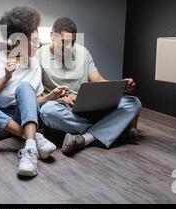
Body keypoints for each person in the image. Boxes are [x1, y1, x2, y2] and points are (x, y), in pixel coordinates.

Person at [0, 6, 67, 177]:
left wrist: (51, 97)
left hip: (22, 118)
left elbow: (33, 101)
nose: (39, 44)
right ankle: (34, 138)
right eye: (34, 40)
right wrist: (5, 78)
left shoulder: (34, 63)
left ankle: (29, 150)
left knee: (24, 87)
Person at [37, 17, 142, 155]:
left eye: (72, 42)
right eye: (64, 42)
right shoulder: (38, 56)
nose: (69, 47)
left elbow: (98, 79)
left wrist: (121, 86)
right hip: (63, 109)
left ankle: (87, 138)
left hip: (88, 106)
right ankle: (115, 131)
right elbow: (38, 99)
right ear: (52, 36)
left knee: (133, 102)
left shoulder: (83, 52)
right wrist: (60, 99)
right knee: (47, 111)